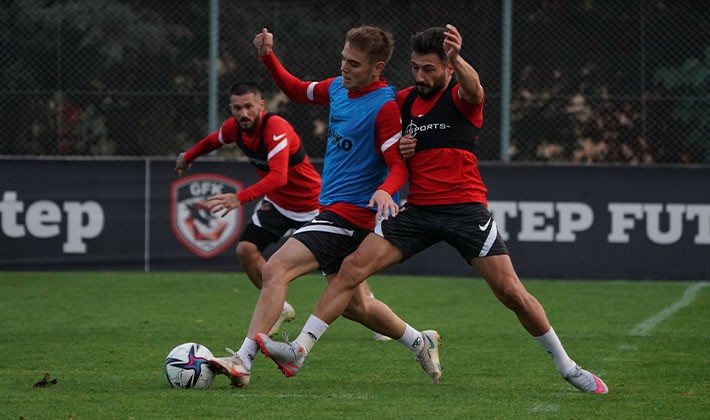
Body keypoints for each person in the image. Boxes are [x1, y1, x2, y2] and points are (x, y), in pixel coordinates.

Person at [258, 25, 609, 394]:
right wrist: (399, 158)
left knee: (511, 293)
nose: (421, 76)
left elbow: (476, 89)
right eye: (415, 67)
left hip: (465, 210)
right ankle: (299, 349)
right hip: (419, 211)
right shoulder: (404, 101)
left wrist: (458, 56)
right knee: (350, 268)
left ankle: (567, 366)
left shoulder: (462, 98)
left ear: (449, 69)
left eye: (430, 69)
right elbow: (384, 146)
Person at [206, 26, 443, 388]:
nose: (345, 68)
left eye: (354, 63)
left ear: (377, 68)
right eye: (343, 59)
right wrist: (268, 56)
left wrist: (384, 191)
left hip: (353, 215)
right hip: (334, 210)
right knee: (356, 306)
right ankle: (419, 341)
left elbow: (397, 165)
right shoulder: (338, 88)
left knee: (275, 270)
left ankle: (242, 361)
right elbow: (296, 90)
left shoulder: (384, 107)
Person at [175, 82, 321, 337]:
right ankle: (280, 308)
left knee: (341, 267)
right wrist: (189, 156)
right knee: (246, 249)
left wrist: (239, 198)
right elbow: (213, 141)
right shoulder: (236, 128)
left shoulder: (276, 128)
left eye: (249, 107)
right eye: (237, 107)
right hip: (278, 205)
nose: (243, 113)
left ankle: (369, 305)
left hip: (312, 204)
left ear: (261, 106)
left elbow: (278, 177)